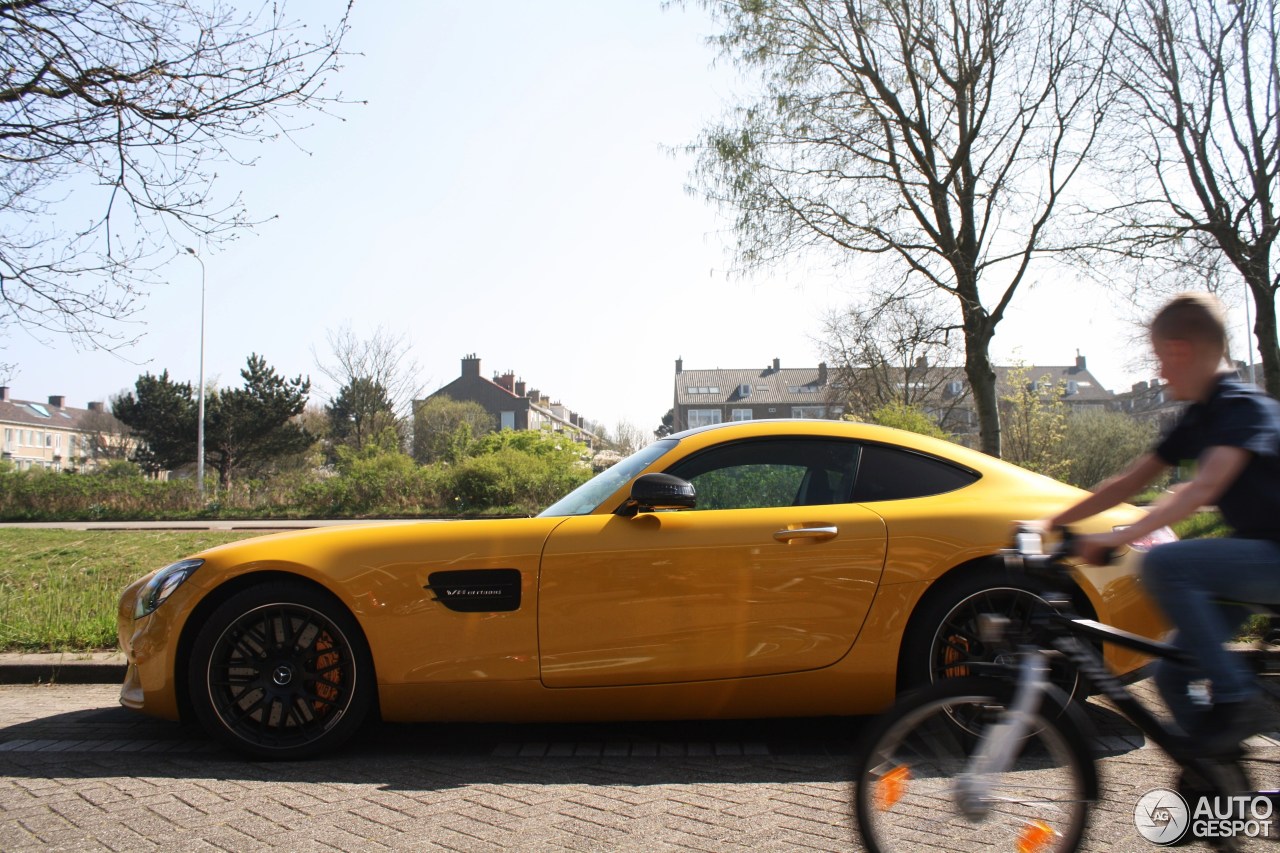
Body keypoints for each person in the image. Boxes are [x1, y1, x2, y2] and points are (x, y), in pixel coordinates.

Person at [1042, 291, 1280, 754]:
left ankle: (1238, 698)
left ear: (1180, 351)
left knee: (1168, 565)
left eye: (1160, 359)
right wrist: (1050, 521)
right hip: (1253, 562)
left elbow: (1202, 489)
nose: (1161, 372)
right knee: (1171, 673)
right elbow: (1130, 481)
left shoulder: (1241, 407)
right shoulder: (1204, 414)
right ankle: (1220, 778)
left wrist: (1120, 539)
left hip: (1273, 560)